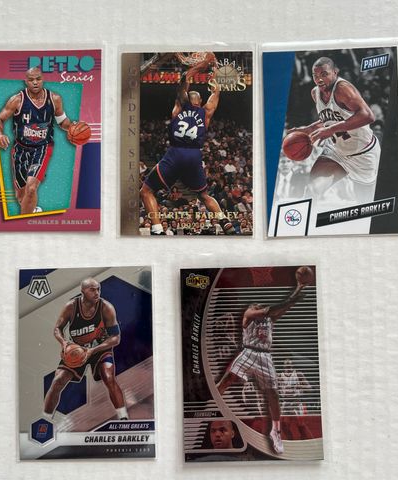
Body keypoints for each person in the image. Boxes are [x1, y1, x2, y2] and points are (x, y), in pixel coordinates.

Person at [140, 53, 235, 235]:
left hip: (176, 153)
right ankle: (224, 221)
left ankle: (158, 229)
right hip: (194, 155)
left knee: (146, 191)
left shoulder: (178, 108)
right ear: (200, 101)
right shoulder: (206, 112)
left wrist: (198, 66)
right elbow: (216, 91)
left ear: (184, 99)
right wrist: (214, 69)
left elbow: (184, 79)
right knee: (204, 195)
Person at [216, 273, 308, 455]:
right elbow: (272, 309)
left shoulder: (269, 320)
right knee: (226, 380)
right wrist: (292, 298)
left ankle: (276, 431)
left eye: (258, 305)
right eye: (255, 305)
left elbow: (284, 308)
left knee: (273, 394)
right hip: (248, 352)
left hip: (265, 357)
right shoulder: (249, 314)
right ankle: (213, 408)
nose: (256, 306)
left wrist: (299, 287)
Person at [289, 57, 380, 202]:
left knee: (364, 202)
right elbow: (329, 119)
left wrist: (330, 130)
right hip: (336, 151)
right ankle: (309, 216)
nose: (319, 79)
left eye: (324, 74)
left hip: (363, 152)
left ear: (335, 73)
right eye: (315, 75)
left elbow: (368, 116)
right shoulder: (315, 93)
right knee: (312, 190)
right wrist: (309, 129)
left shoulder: (342, 89)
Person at [44, 278, 128, 421]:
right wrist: (64, 343)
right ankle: (45, 419)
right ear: (82, 291)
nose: (97, 293)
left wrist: (93, 350)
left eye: (98, 289)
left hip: (100, 349)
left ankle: (123, 417)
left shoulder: (106, 307)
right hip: (78, 351)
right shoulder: (71, 307)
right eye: (92, 289)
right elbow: (57, 328)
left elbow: (116, 338)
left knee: (109, 378)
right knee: (58, 380)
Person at [0, 67, 73, 214]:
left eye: (38, 79)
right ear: (26, 81)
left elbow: (62, 122)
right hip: (20, 149)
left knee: (31, 188)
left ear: (43, 79)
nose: (35, 82)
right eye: (31, 80)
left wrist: (73, 128)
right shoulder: (17, 100)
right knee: (21, 196)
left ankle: (23, 222)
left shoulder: (54, 99)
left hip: (43, 148)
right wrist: (0, 134)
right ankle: (31, 211)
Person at [278, 358, 313, 441]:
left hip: (296, 402)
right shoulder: (279, 376)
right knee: (283, 425)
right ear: (284, 367)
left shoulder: (298, 374)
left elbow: (310, 388)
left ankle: (305, 439)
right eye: (286, 366)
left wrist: (300, 386)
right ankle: (290, 439)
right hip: (286, 402)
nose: (288, 368)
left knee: (301, 424)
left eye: (289, 366)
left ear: (292, 366)